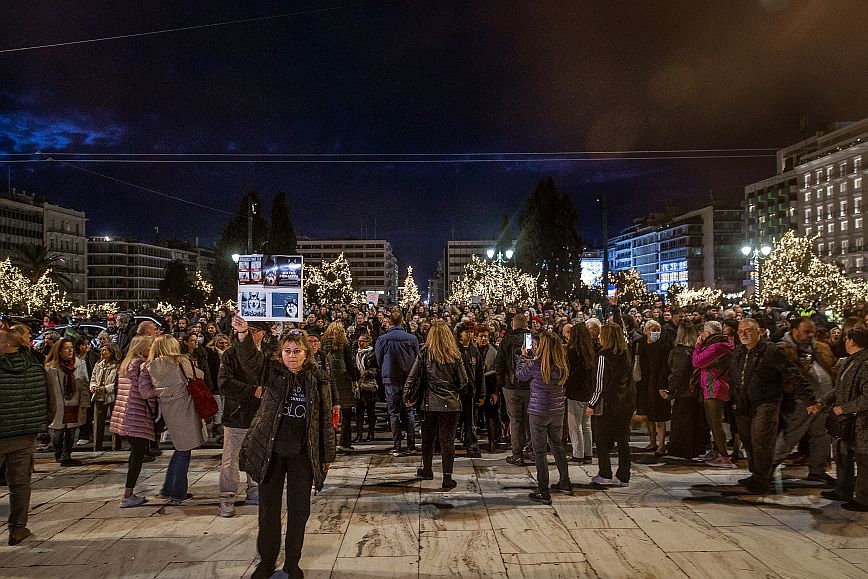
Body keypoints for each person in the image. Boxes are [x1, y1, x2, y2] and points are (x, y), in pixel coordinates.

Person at [232, 318, 335, 579]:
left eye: (297, 351)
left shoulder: (317, 378)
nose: (292, 356)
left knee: (299, 510)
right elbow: (250, 362)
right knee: (268, 509)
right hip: (272, 452)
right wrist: (243, 334)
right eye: (287, 351)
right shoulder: (272, 372)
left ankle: (292, 562)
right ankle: (266, 561)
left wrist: (327, 455)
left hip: (302, 454)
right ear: (281, 353)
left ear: (306, 353)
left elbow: (324, 419)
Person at [730, 319, 820, 494]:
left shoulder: (772, 351)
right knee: (748, 441)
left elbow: (793, 374)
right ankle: (755, 474)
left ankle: (762, 479)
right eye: (740, 331)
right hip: (743, 403)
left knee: (761, 441)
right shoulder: (739, 351)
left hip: (766, 403)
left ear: (759, 332)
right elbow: (734, 374)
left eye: (748, 330)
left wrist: (809, 400)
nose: (744, 334)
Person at [0, 328, 52, 546]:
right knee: (20, 483)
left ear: (7, 346)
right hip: (25, 435)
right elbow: (51, 401)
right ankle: (17, 528)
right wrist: (41, 424)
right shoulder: (37, 368)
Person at [142, 335, 206, 504]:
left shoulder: (150, 366)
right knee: (184, 451)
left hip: (169, 410)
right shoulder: (179, 362)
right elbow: (199, 375)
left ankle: (168, 488)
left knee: (180, 448)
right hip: (185, 408)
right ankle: (178, 493)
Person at [404, 320, 468, 490]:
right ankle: (447, 477)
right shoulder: (455, 355)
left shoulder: (425, 353)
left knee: (428, 439)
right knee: (447, 441)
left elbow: (413, 376)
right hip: (450, 404)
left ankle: (427, 469)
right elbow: (463, 383)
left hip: (428, 404)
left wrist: (406, 395)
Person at [774, 317, 836, 484]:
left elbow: (831, 367)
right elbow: (783, 377)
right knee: (789, 437)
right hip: (799, 402)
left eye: (812, 331)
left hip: (822, 400)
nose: (811, 335)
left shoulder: (820, 347)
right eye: (806, 331)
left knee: (822, 436)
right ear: (794, 331)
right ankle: (766, 469)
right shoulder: (784, 349)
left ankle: (817, 470)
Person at [217, 322, 268, 518]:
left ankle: (254, 490)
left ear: (262, 334)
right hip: (237, 414)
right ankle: (227, 497)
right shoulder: (231, 354)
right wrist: (251, 391)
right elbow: (224, 383)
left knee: (257, 454)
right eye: (248, 330)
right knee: (231, 458)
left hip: (260, 414)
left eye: (255, 331)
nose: (251, 334)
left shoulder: (267, 354)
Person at [517, 331, 572, 505]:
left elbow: (520, 375)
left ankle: (543, 490)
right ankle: (565, 482)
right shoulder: (562, 364)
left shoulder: (535, 364)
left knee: (539, 451)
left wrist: (523, 357)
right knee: (557, 446)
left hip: (538, 411)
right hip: (557, 411)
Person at [821, 327, 868, 511]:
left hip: (862, 423)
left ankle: (864, 499)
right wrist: (823, 402)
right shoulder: (852, 360)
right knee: (843, 455)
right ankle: (843, 490)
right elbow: (840, 388)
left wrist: (844, 408)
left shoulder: (864, 364)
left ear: (851, 341)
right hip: (847, 423)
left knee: (864, 461)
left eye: (846, 338)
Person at [111, 336, 157, 507]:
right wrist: (160, 389)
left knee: (135, 456)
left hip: (125, 415)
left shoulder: (126, 365)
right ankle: (127, 495)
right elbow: (145, 393)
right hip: (138, 415)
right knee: (137, 457)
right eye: (150, 346)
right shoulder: (142, 366)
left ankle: (129, 493)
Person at [587, 323, 635, 486]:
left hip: (608, 404)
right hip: (626, 403)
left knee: (601, 438)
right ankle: (623, 475)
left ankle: (605, 473)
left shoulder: (603, 356)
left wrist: (591, 404)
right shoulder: (626, 353)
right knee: (623, 439)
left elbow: (600, 383)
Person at [375, 310, 420, 456]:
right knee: (409, 411)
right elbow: (417, 358)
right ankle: (411, 445)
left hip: (391, 379)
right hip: (408, 378)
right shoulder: (411, 338)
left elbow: (379, 359)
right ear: (402, 321)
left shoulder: (383, 339)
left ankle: (397, 446)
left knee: (393, 413)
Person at [691, 321, 735, 467]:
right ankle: (717, 451)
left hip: (713, 388)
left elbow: (697, 362)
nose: (701, 334)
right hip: (718, 386)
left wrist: (697, 346)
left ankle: (724, 457)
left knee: (715, 424)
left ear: (708, 333)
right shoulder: (724, 344)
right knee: (714, 422)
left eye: (703, 331)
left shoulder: (716, 347)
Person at [666, 323, 708, 460]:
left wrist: (671, 390)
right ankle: (695, 448)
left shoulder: (680, 352)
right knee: (693, 422)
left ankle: (682, 450)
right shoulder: (695, 351)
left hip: (684, 392)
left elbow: (677, 373)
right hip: (694, 391)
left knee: (683, 421)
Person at [45, 338, 89, 466]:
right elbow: (47, 388)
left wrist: (85, 402)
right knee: (58, 432)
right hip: (58, 404)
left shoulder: (79, 364)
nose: (70, 351)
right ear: (59, 351)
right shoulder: (51, 367)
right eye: (66, 348)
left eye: (71, 347)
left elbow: (84, 383)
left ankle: (66, 456)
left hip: (73, 402)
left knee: (70, 431)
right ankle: (58, 453)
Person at [496, 313, 533, 466]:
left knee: (515, 421)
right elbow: (531, 358)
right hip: (530, 385)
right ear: (525, 325)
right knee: (530, 419)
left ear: (512, 325)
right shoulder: (530, 339)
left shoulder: (506, 341)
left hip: (511, 387)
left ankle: (517, 454)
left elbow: (500, 364)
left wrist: (502, 383)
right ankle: (531, 450)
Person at [634, 319, 672, 455]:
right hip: (644, 383)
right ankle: (652, 442)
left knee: (659, 416)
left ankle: (661, 444)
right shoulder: (641, 345)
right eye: (653, 330)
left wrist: (662, 385)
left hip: (658, 384)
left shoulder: (664, 347)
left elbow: (664, 368)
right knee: (648, 415)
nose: (655, 333)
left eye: (658, 330)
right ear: (646, 331)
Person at [322, 321, 361, 452]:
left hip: (329, 381)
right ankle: (345, 443)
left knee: (329, 413)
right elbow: (350, 363)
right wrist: (355, 379)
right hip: (343, 381)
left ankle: (329, 443)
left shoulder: (323, 343)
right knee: (346, 414)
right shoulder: (344, 343)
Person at [564, 323, 595, 464]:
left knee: (575, 425)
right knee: (586, 424)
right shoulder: (590, 350)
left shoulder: (573, 352)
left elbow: (572, 374)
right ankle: (588, 453)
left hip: (575, 392)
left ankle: (578, 455)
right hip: (587, 392)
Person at [456, 322, 484, 458]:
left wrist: (482, 393)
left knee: (470, 420)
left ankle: (471, 444)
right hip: (456, 392)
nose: (469, 334)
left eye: (471, 332)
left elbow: (479, 373)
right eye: (466, 331)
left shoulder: (474, 350)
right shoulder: (455, 349)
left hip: (470, 391)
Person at [89, 342, 121, 451]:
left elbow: (118, 382)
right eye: (101, 350)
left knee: (115, 422)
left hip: (112, 396)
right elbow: (93, 378)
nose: (102, 352)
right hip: (99, 396)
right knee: (98, 422)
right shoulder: (99, 364)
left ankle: (116, 445)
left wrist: (106, 388)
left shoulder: (117, 365)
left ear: (112, 353)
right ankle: (97, 446)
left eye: (105, 350)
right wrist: (93, 386)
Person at [476, 326, 501, 452]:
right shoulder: (472, 350)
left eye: (485, 336)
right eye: (481, 336)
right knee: (473, 416)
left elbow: (496, 374)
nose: (483, 338)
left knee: (491, 415)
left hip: (490, 385)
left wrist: (495, 392)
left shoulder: (494, 351)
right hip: (475, 387)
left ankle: (492, 441)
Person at [353, 333, 379, 443]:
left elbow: (377, 369)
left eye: (363, 341)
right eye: (359, 341)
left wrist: (368, 372)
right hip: (358, 385)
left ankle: (371, 433)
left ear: (368, 342)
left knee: (370, 411)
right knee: (359, 412)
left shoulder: (372, 354)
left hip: (369, 385)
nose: (360, 343)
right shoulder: (355, 353)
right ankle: (359, 434)